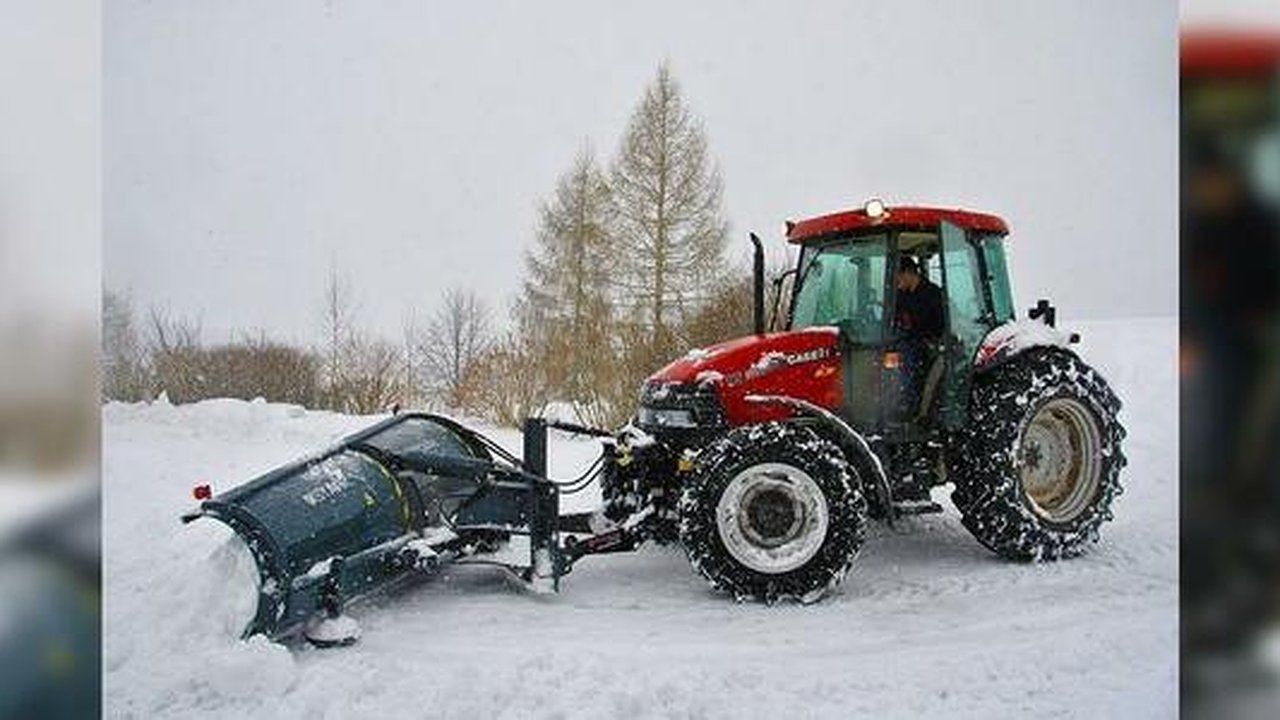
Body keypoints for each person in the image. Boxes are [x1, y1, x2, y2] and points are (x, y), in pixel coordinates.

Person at [893, 256, 944, 420]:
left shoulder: (933, 294)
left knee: (907, 354)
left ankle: (908, 404)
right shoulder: (902, 295)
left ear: (908, 273)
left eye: (898, 277)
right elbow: (895, 319)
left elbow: (942, 325)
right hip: (909, 339)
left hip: (932, 342)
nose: (896, 281)